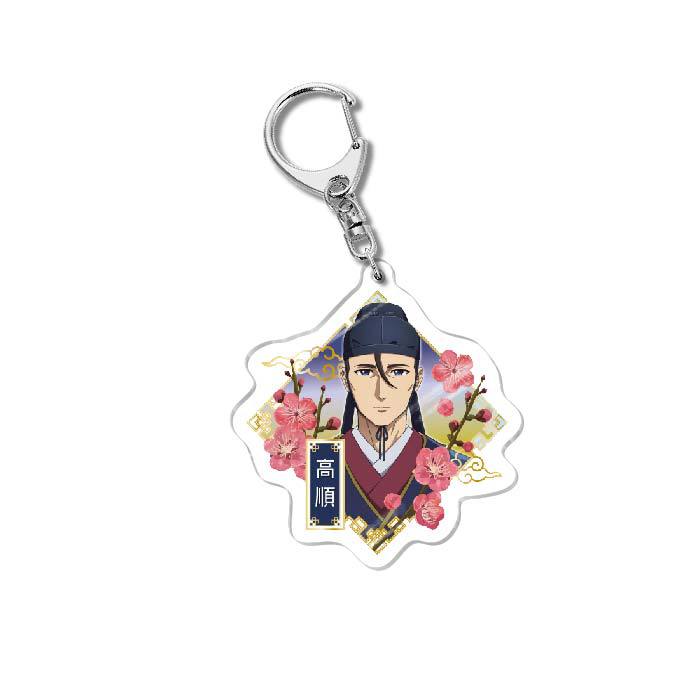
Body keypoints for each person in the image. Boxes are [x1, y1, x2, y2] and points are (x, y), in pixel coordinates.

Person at [339, 302, 444, 532]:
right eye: (365, 372)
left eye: (398, 372)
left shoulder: (447, 464)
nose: (381, 392)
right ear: (345, 377)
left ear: (417, 378)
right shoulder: (320, 461)